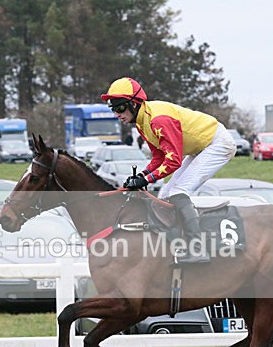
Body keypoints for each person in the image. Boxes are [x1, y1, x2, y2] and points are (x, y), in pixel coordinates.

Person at [100, 77, 237, 263]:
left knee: (179, 191)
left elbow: (173, 161)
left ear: (134, 104)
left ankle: (197, 249)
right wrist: (141, 175)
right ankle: (175, 244)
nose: (117, 114)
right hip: (199, 148)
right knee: (164, 195)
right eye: (113, 109)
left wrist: (147, 180)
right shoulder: (142, 122)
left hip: (217, 144)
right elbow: (158, 157)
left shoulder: (158, 120)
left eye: (119, 108)